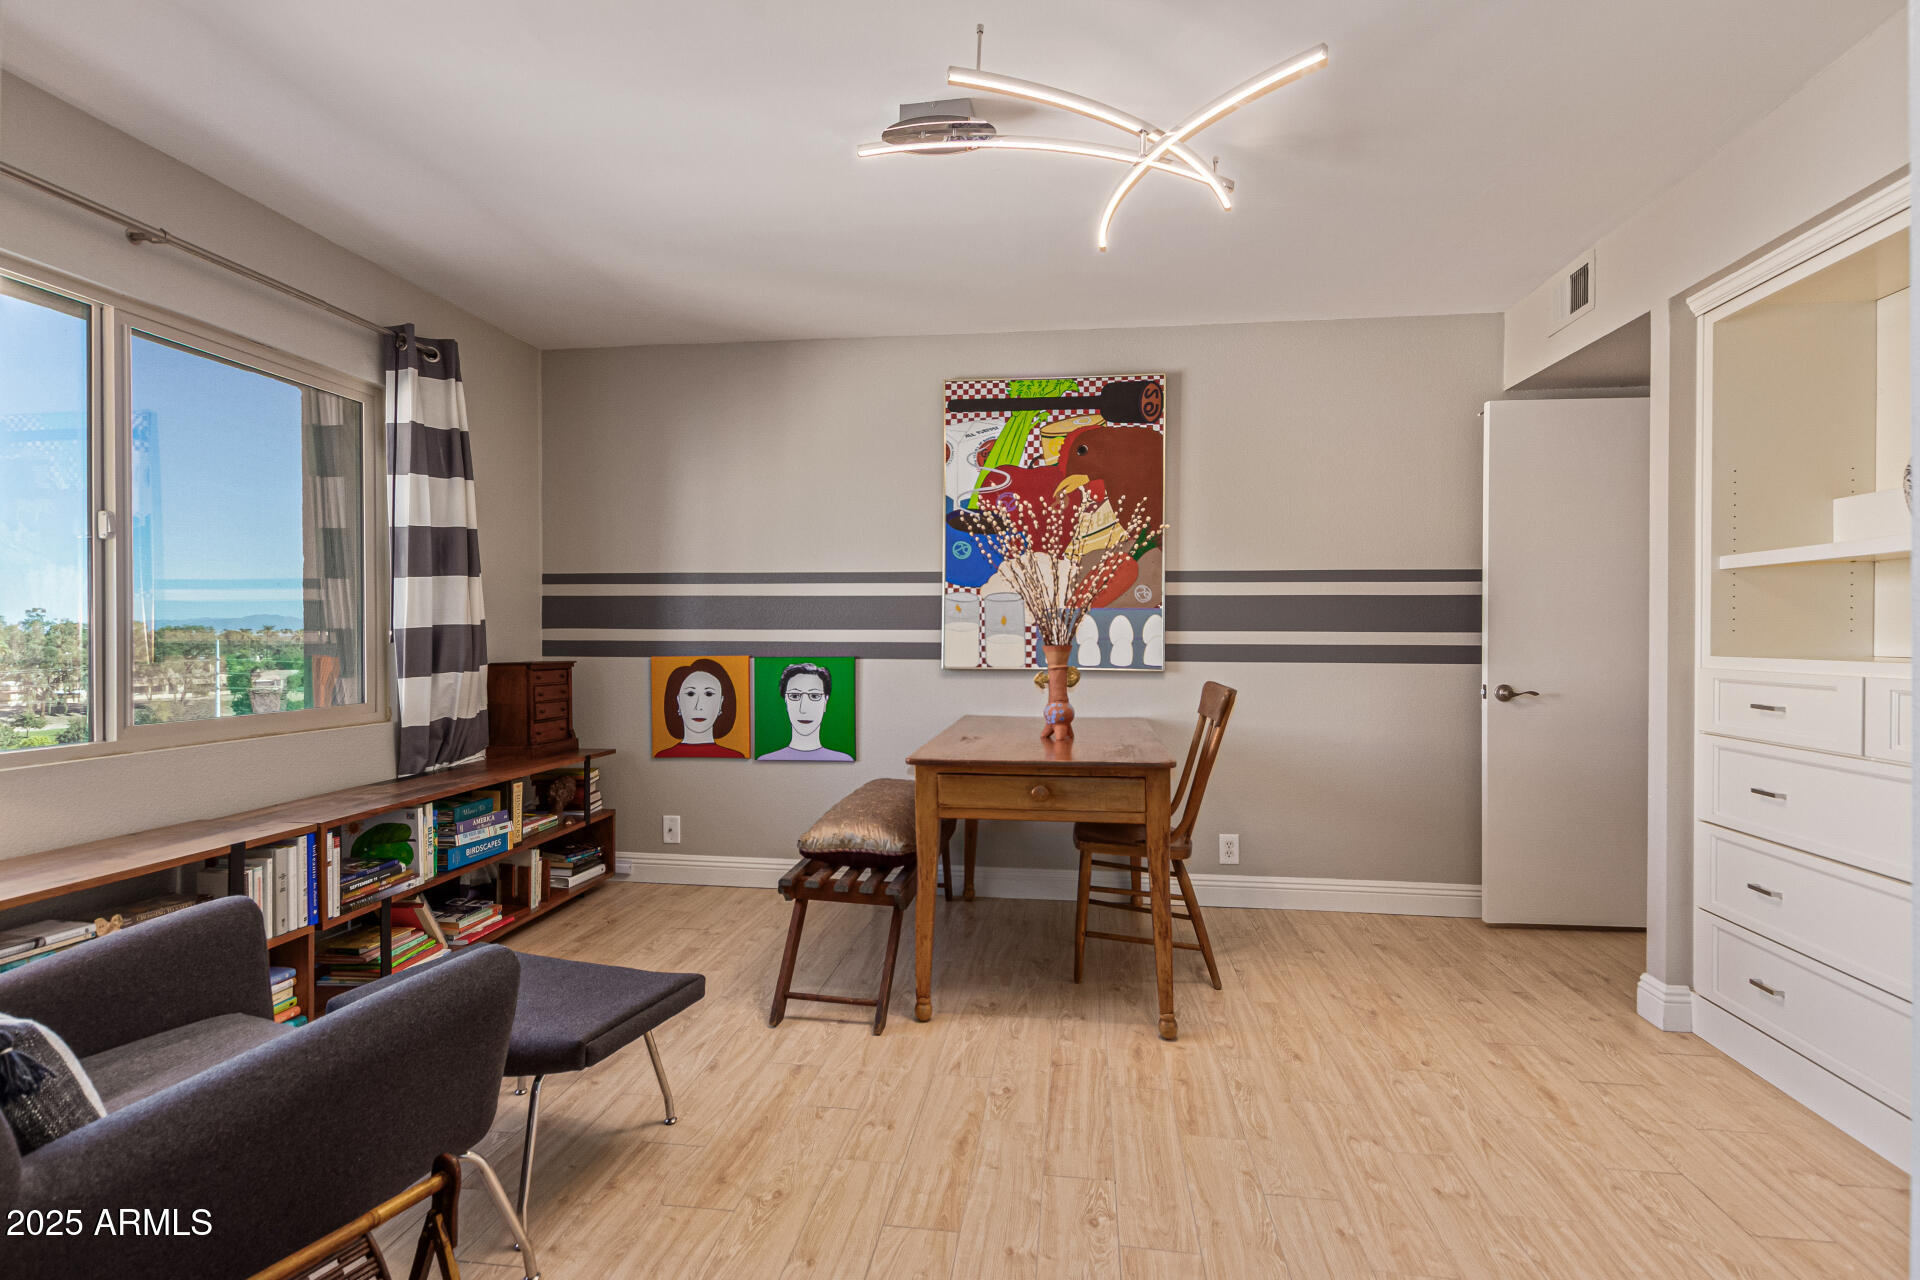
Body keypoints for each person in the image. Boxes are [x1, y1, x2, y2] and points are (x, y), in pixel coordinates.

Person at [757, 662, 853, 762]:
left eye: (814, 696)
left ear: (825, 702)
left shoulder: (843, 759)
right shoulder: (767, 759)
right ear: (786, 701)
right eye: (794, 696)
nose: (803, 709)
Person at [655, 658, 746, 758]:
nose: (698, 706)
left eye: (709, 694)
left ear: (721, 703)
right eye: (690, 693)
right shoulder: (663, 755)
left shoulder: (735, 756)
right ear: (678, 702)